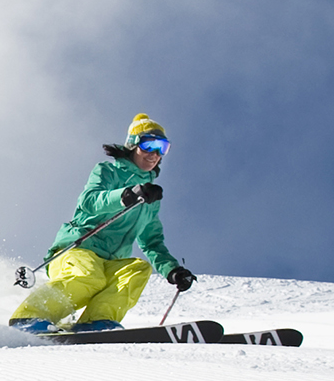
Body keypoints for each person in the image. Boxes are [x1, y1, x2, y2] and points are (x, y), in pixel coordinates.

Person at [11, 113, 198, 332]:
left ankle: (97, 322)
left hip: (109, 261)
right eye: (149, 145)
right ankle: (30, 317)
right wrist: (125, 195)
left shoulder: (151, 199)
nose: (155, 154)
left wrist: (172, 270)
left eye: (162, 148)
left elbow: (152, 242)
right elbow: (89, 201)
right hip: (78, 249)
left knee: (137, 269)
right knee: (89, 276)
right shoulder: (107, 171)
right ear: (133, 145)